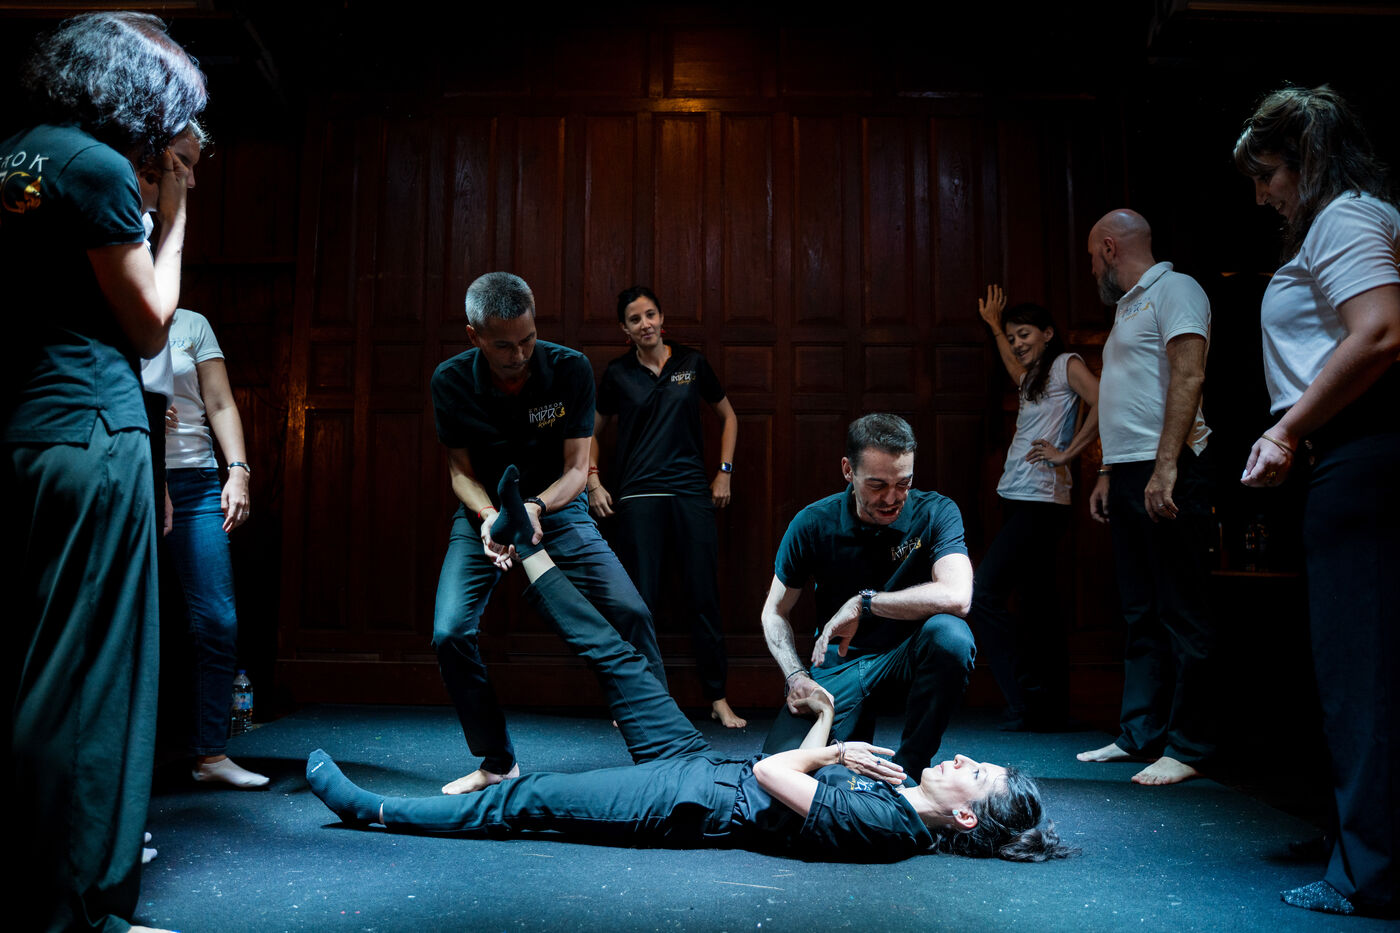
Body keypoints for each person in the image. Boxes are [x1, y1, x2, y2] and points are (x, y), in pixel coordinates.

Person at [307, 478, 1073, 864]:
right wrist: (824, 716)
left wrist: (835, 747)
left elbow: (774, 774)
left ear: (966, 816)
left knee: (529, 798)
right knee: (619, 657)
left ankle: (377, 810)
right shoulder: (897, 798)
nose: (963, 759)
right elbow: (793, 772)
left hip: (685, 803)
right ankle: (528, 543)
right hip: (701, 765)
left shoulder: (891, 827)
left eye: (977, 774)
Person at [1, 12, 205, 933]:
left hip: (25, 428)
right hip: (92, 426)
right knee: (95, 685)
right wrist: (176, 216)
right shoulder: (96, 167)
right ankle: (83, 912)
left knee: (37, 674)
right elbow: (152, 326)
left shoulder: (14, 155)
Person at [1235, 84, 1400, 917]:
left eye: (1268, 174)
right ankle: (1356, 837)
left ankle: (1369, 872)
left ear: (1306, 160)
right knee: (1353, 665)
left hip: (1362, 449)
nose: (1264, 194)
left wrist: (1288, 429)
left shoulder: (1344, 216)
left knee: (1359, 672)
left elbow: (1381, 330)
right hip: (1351, 453)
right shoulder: (1350, 218)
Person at [430, 272, 667, 796]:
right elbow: (460, 472)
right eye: (503, 346)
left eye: (528, 339)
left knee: (631, 612)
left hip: (557, 507)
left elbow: (578, 468)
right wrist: (490, 517)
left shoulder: (569, 368)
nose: (519, 355)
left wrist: (536, 507)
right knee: (450, 633)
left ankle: (664, 752)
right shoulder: (450, 380)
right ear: (474, 336)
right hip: (486, 514)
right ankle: (497, 761)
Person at [1075, 209, 1216, 787]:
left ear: (1110, 248)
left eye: (1092, 257)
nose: (1092, 270)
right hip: (1131, 470)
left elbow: (1189, 377)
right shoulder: (1126, 307)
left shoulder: (1176, 289)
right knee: (1140, 611)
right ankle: (1140, 734)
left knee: (1182, 611)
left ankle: (1189, 745)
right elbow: (1126, 395)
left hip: (1170, 467)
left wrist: (1166, 467)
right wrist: (1108, 470)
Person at [759, 413, 976, 779]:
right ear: (848, 470)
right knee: (778, 773)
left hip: (907, 661)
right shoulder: (813, 523)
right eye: (877, 485)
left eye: (903, 483)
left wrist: (865, 603)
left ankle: (909, 772)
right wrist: (795, 676)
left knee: (951, 636)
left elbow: (958, 596)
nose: (892, 498)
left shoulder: (936, 511)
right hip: (841, 666)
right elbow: (774, 613)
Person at [590, 285, 744, 728]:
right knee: (639, 602)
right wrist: (593, 481)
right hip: (638, 496)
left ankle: (717, 698)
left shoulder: (691, 364)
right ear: (624, 329)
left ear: (662, 318)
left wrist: (724, 471)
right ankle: (638, 700)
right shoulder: (618, 373)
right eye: (635, 319)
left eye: (650, 315)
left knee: (703, 596)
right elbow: (591, 433)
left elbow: (729, 417)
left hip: (690, 493)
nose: (645, 324)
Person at [970, 285, 1100, 732]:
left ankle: (1026, 699)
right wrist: (995, 327)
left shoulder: (1066, 364)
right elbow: (1012, 364)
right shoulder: (1033, 376)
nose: (1018, 343)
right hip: (1018, 497)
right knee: (1038, 604)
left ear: (1048, 333)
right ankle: (1047, 708)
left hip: (1041, 502)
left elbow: (1104, 399)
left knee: (984, 593)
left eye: (1024, 334)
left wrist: (1069, 454)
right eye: (1013, 337)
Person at [165, 292, 268, 788]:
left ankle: (211, 755)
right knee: (134, 623)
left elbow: (221, 402)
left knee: (217, 620)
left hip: (197, 481)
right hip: (131, 473)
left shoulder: (191, 323)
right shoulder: (111, 314)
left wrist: (238, 471)